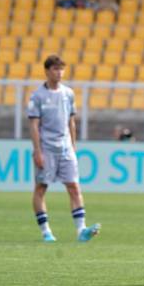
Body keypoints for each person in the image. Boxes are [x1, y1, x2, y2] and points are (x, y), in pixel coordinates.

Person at [27, 55, 101, 243]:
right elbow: (34, 125)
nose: (59, 73)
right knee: (41, 188)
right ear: (47, 71)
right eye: (55, 69)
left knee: (74, 187)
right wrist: (37, 151)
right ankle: (46, 232)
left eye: (61, 69)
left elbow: (71, 122)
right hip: (46, 148)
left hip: (66, 148)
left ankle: (81, 231)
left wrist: (73, 147)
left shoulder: (68, 93)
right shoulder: (37, 96)